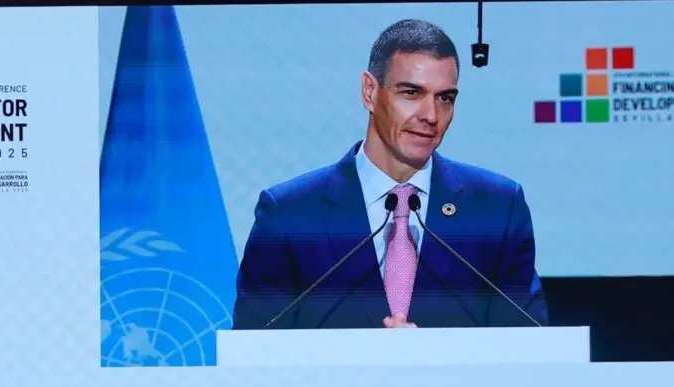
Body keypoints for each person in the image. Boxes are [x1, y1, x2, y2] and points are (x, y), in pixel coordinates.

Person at [232, 19, 546, 331]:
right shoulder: (289, 215)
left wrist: (432, 358)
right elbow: (253, 355)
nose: (431, 116)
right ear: (370, 92)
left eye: (445, 98)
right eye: (411, 93)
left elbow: (530, 348)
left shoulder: (497, 209)